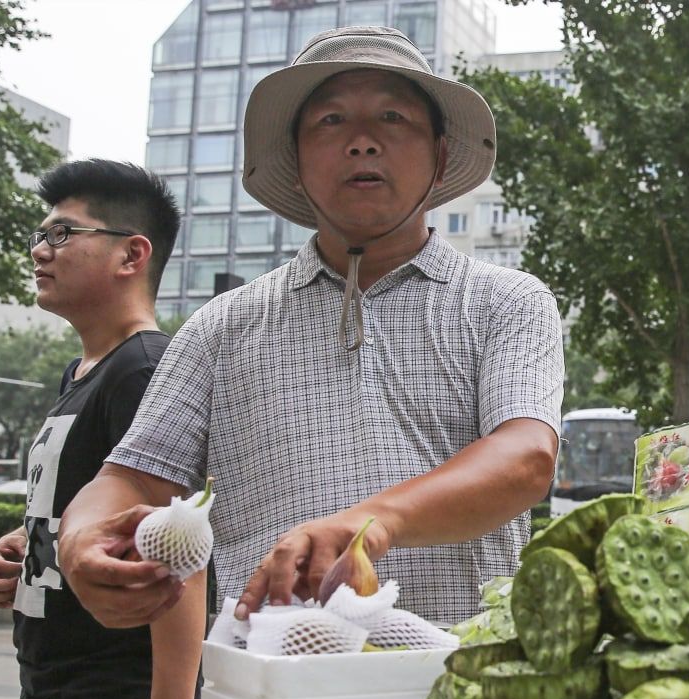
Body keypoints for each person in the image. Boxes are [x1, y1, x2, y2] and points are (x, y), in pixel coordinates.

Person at [55, 25, 563, 650]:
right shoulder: (224, 326)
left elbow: (526, 458)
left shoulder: (507, 302)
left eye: (392, 117)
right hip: (270, 688)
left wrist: (374, 523)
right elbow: (132, 479)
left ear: (438, 152)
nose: (362, 142)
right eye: (329, 121)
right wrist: (79, 537)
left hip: (464, 684)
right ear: (295, 158)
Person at [0, 160, 198, 699]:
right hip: (52, 688)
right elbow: (101, 516)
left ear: (132, 254)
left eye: (63, 234)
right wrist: (29, 543)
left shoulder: (143, 369)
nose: (40, 250)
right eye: (41, 235)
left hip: (110, 698)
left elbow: (182, 549)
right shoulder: (83, 371)